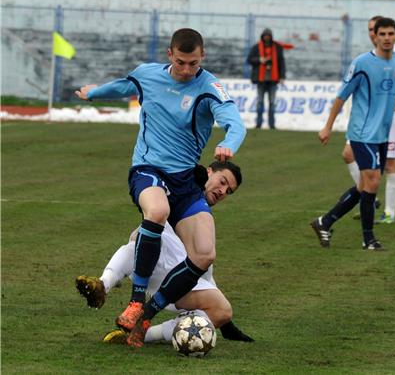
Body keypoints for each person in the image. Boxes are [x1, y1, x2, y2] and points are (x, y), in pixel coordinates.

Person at [75, 28, 247, 347]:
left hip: (184, 180)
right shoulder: (148, 75)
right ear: (170, 55)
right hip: (148, 168)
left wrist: (229, 142)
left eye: (193, 64)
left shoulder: (209, 88)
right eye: (181, 62)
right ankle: (136, 300)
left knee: (205, 254)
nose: (186, 70)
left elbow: (236, 122)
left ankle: (147, 316)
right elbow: (123, 85)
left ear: (202, 58)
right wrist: (94, 93)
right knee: (157, 211)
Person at [75, 161, 253, 344]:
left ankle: (144, 334)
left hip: (180, 285)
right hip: (151, 265)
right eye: (223, 182)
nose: (223, 191)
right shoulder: (177, 192)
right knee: (137, 241)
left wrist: (226, 324)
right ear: (209, 172)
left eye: (229, 191)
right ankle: (102, 286)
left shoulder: (203, 220)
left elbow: (205, 274)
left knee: (222, 311)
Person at [310, 17, 395, 251]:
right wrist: (328, 126)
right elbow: (342, 96)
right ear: (375, 37)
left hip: (382, 134)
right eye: (382, 34)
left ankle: (325, 221)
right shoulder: (361, 63)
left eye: (391, 34)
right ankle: (368, 238)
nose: (387, 38)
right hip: (362, 133)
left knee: (364, 185)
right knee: (373, 181)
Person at [346, 15, 395, 224]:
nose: (373, 34)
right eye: (371, 30)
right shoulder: (370, 57)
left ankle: (388, 211)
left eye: (375, 30)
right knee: (348, 154)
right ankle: (369, 196)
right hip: (367, 121)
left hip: (391, 116)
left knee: (390, 163)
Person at [247, 28, 286, 129]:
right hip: (261, 80)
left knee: (272, 103)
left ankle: (272, 124)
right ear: (262, 37)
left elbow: (281, 63)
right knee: (260, 102)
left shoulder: (277, 48)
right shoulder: (256, 47)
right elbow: (249, 59)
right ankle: (258, 124)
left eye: (268, 36)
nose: (267, 38)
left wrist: (282, 76)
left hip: (273, 80)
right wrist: (260, 60)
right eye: (265, 36)